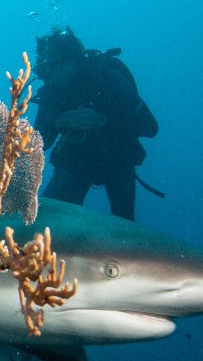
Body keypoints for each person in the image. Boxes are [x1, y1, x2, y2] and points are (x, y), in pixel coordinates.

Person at [32, 27, 158, 221]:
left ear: (74, 58)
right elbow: (41, 143)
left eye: (59, 64)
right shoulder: (52, 90)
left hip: (118, 155)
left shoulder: (107, 77)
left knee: (124, 222)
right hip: (75, 158)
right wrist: (57, 122)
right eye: (48, 65)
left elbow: (149, 127)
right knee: (49, 219)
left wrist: (106, 120)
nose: (53, 71)